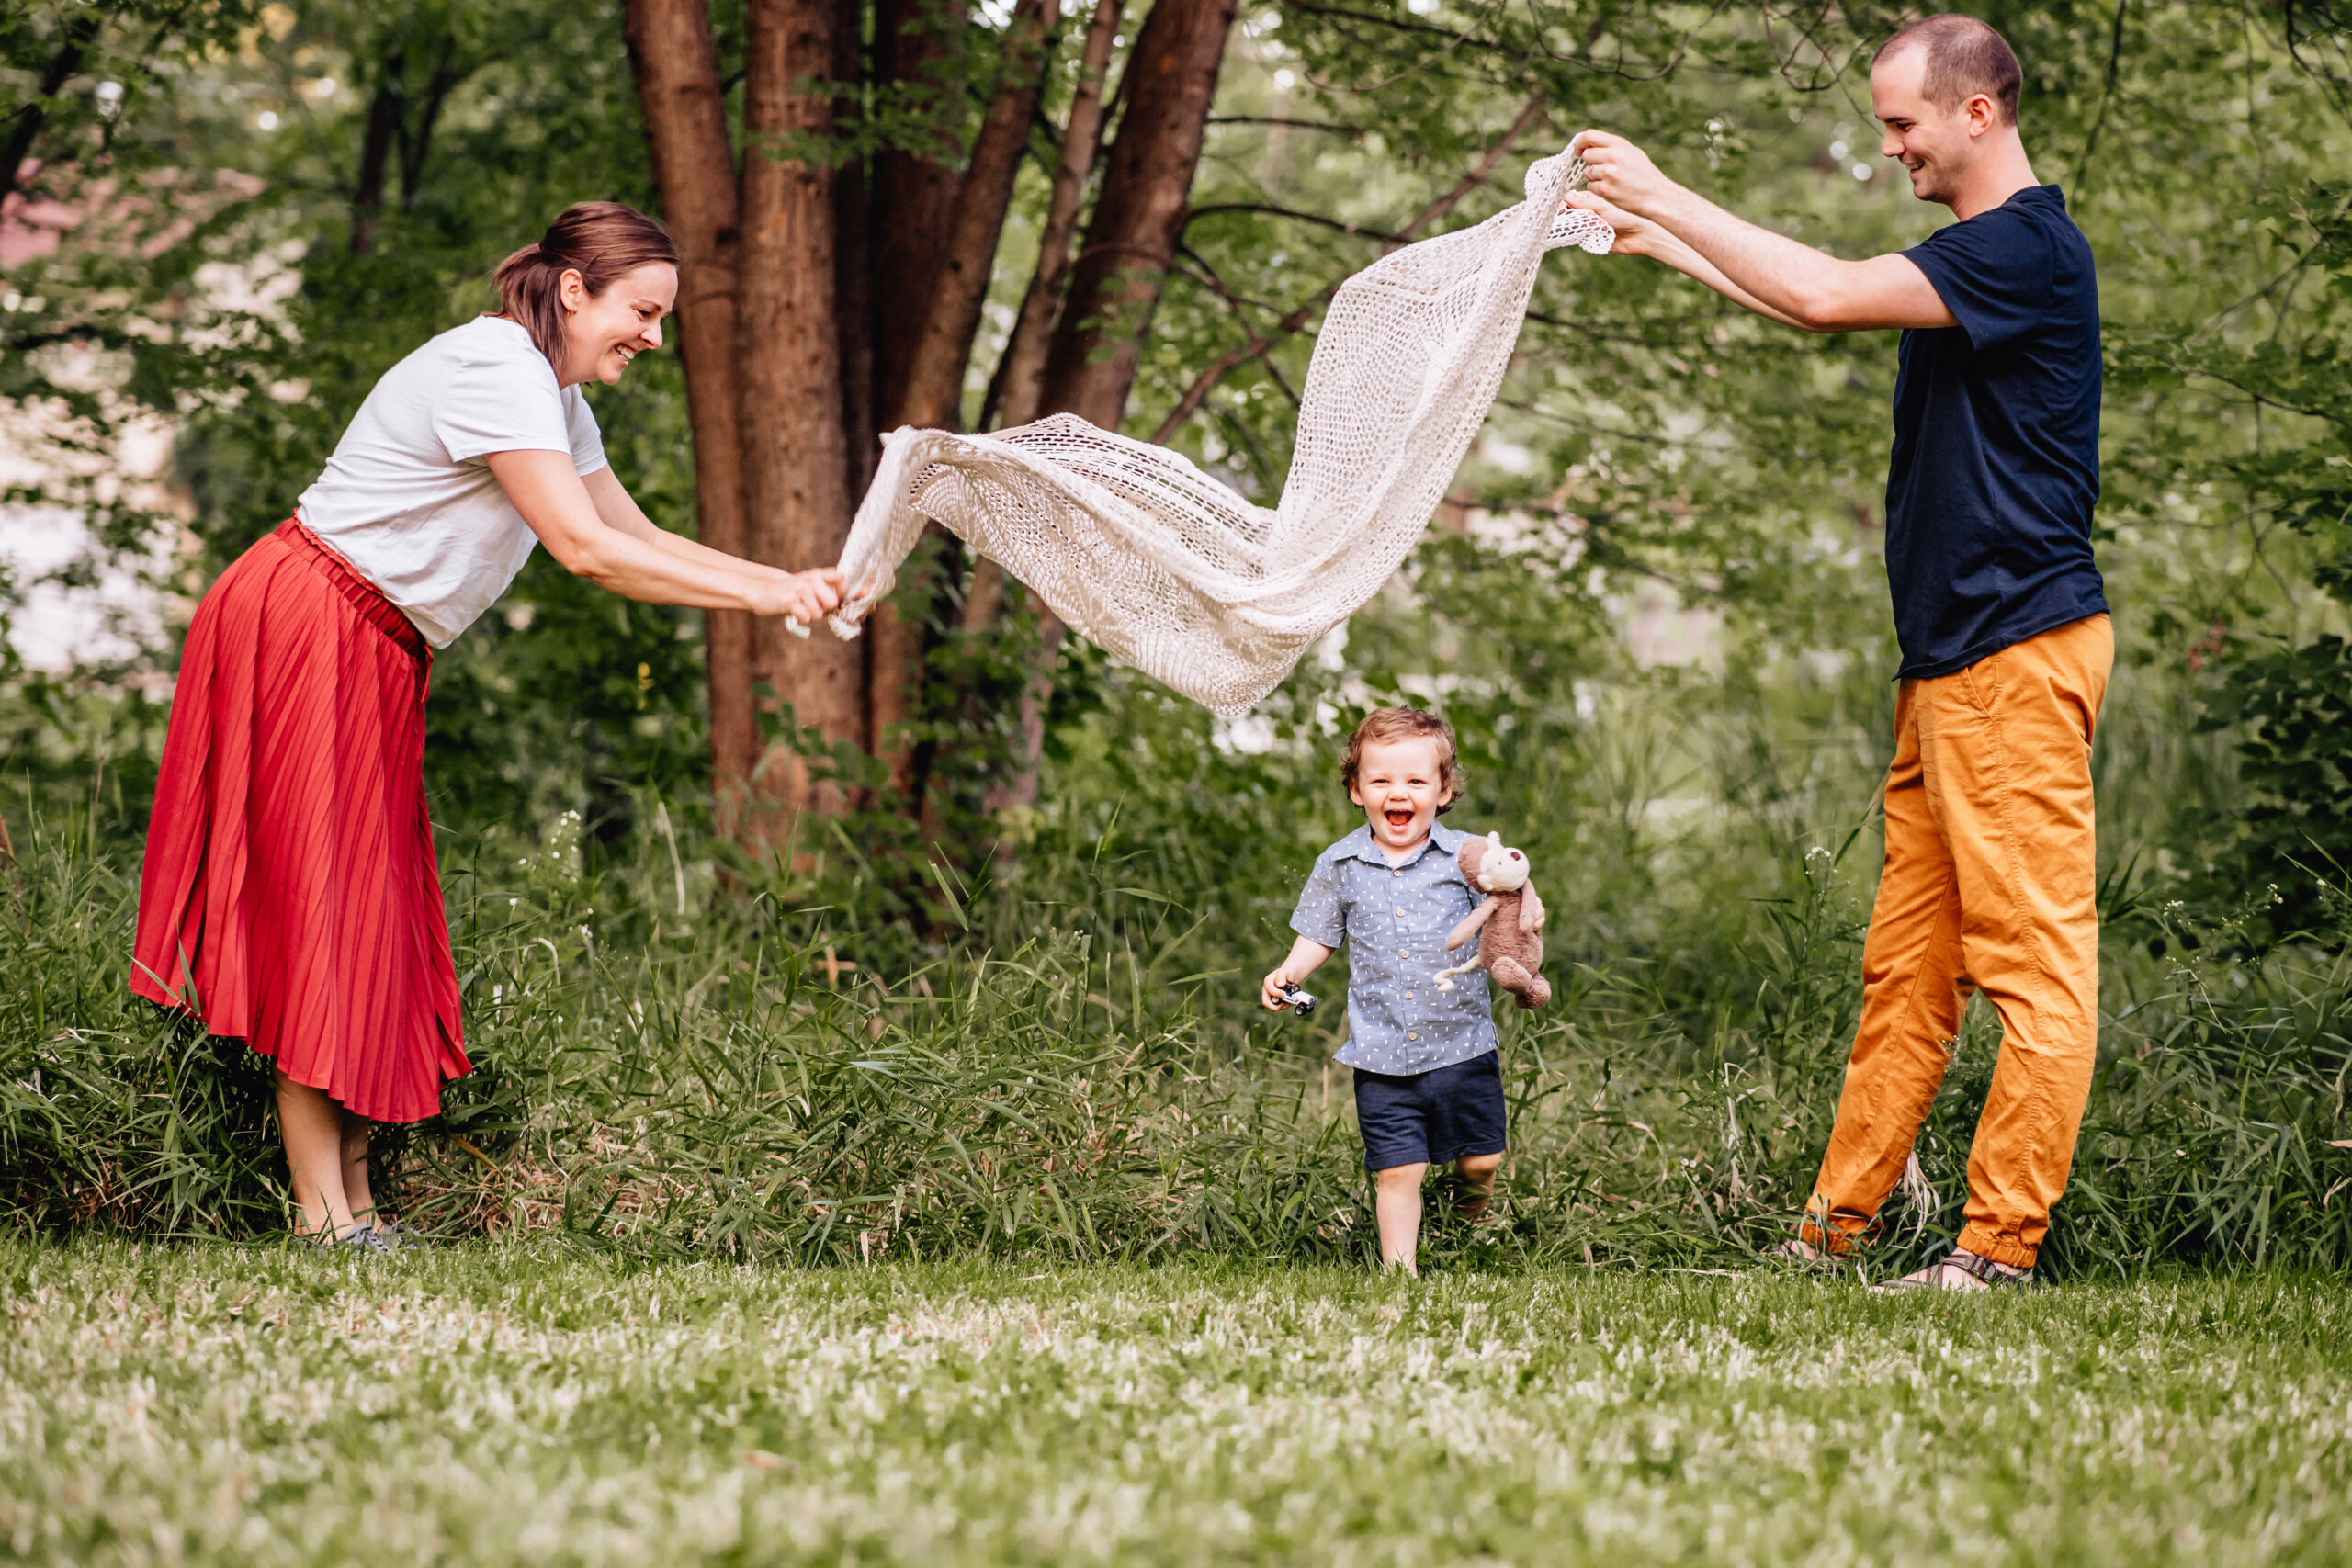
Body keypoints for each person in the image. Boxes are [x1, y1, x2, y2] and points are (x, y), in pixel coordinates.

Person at [131, 202, 842, 1250]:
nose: (651, 336)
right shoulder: (498, 368)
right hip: (308, 621)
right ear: (572, 290)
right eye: (640, 312)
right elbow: (586, 554)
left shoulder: (551, 396)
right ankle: (326, 1221)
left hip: (371, 643)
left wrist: (785, 586)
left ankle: (354, 1209)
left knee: (367, 909)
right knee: (325, 911)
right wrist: (762, 597)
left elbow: (632, 532)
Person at [1565, 15, 2109, 1290]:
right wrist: (1665, 242)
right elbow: (1815, 311)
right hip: (1951, 666)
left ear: (1979, 113)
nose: (1890, 147)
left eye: (1904, 123)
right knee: (1907, 971)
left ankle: (1998, 1253)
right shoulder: (1978, 257)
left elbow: (1821, 288)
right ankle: (1832, 1234)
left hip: (2015, 653)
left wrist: (1663, 187)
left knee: (2032, 967)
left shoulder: (2028, 249)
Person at [1262, 708, 1543, 1274]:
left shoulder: (1469, 860)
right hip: (1382, 1053)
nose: (1399, 793)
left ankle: (1466, 1228)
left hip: (1462, 1045)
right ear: (1355, 789)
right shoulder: (1340, 864)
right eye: (1381, 779)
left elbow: (1507, 913)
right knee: (1397, 1170)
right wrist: (1289, 972)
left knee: (1482, 1160)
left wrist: (1520, 939)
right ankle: (1399, 1275)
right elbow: (1320, 934)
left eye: (1416, 781)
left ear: (1443, 792)